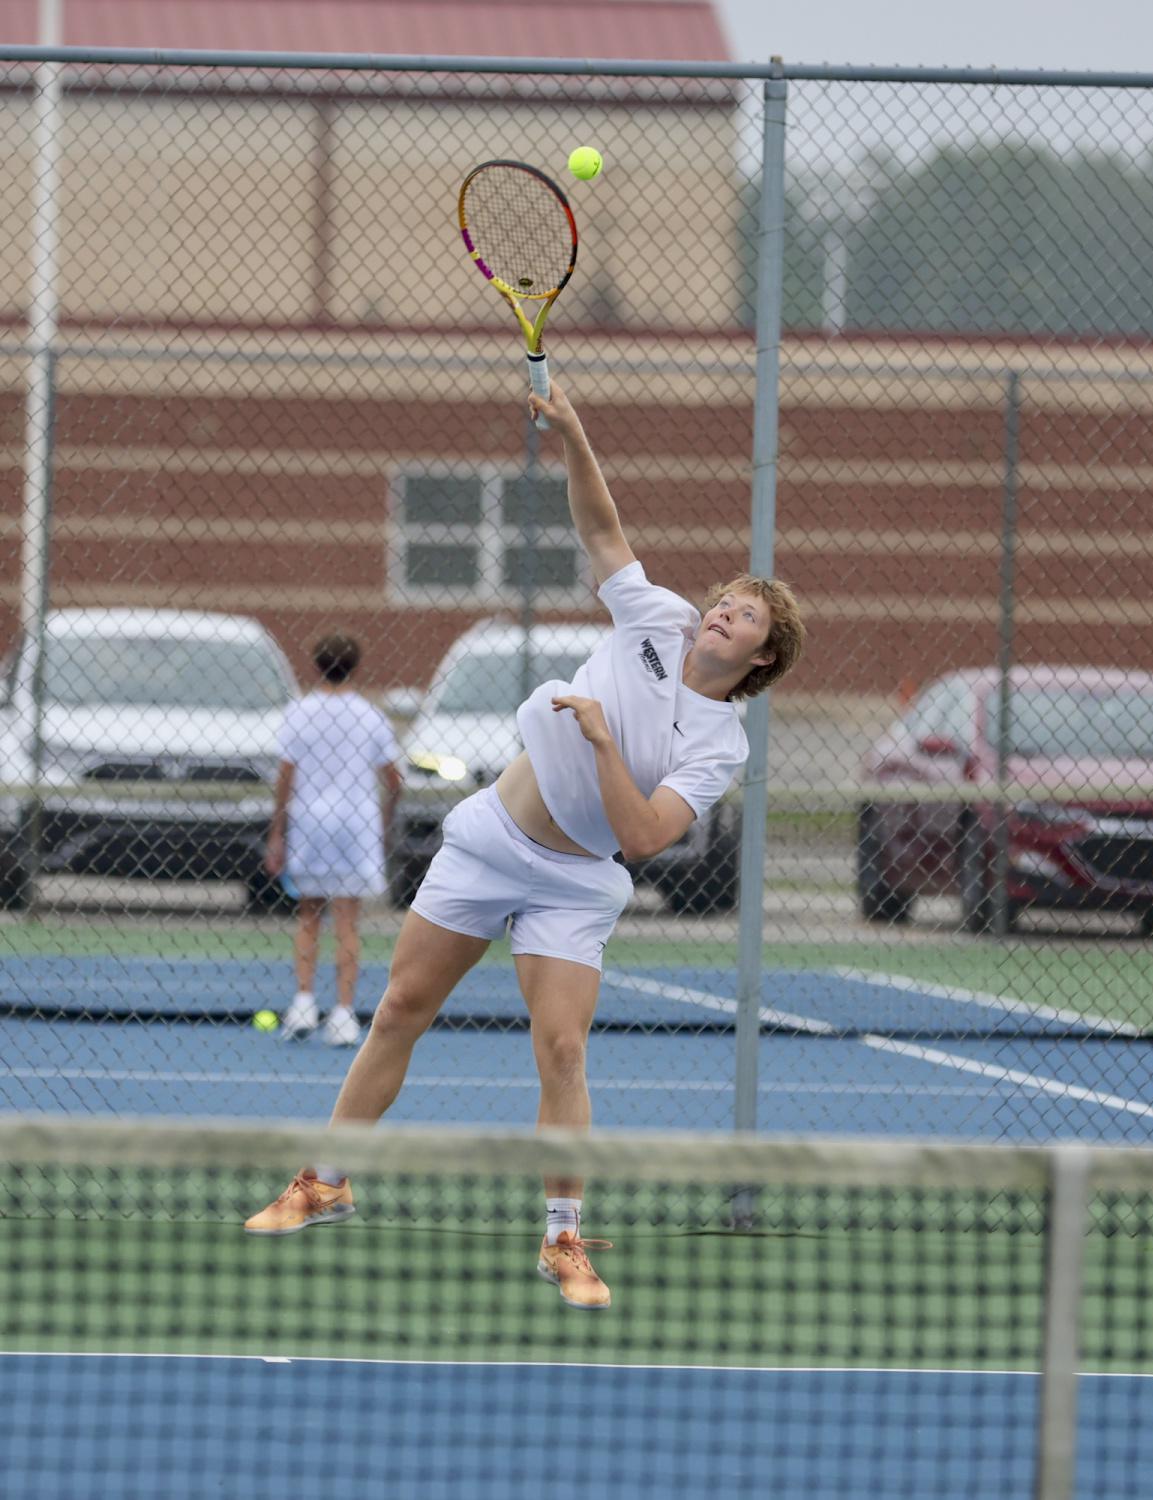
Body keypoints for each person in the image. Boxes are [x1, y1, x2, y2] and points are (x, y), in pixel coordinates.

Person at [245, 383, 806, 1311]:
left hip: (578, 881)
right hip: (491, 839)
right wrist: (579, 433)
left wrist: (599, 739)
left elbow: (641, 837)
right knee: (397, 1011)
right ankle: (326, 1179)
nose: (723, 611)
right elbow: (601, 529)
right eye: (727, 599)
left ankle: (562, 1241)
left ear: (762, 657)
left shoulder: (721, 745)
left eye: (746, 616)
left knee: (561, 1052)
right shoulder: (656, 619)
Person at [265, 634, 403, 1047]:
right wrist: (383, 817)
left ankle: (304, 1002)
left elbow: (286, 775)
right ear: (356, 666)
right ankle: (343, 1013)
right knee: (347, 919)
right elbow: (394, 779)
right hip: (355, 823)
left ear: (315, 664)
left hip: (310, 822)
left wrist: (278, 831)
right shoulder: (369, 716)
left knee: (308, 914)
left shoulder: (299, 713)